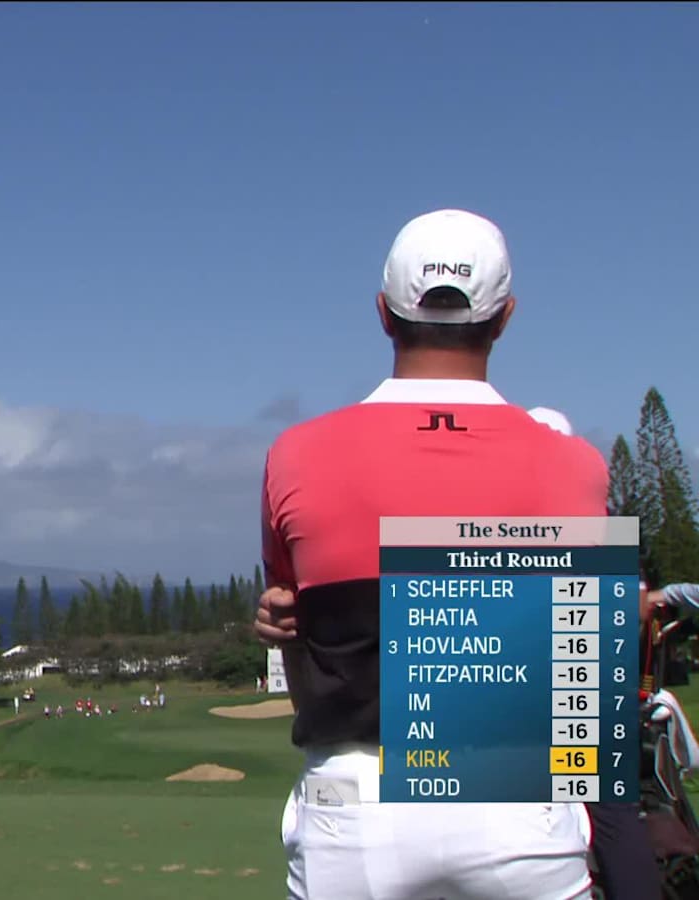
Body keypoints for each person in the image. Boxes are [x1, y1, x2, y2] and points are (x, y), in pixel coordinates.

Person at [257, 209, 612, 899]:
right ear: (504, 317)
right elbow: (580, 689)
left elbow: (302, 652)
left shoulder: (295, 455)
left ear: (384, 315)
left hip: (354, 805)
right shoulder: (577, 466)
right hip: (520, 802)